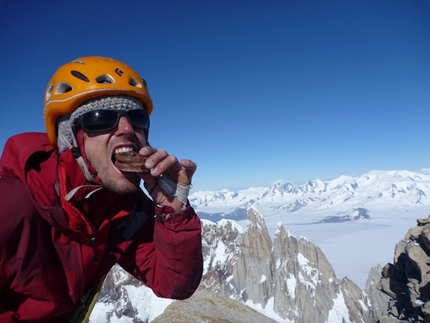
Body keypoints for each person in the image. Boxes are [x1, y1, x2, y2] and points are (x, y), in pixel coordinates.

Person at [0, 56, 203, 322]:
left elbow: (175, 284)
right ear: (70, 137)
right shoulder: (10, 207)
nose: (127, 128)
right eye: (100, 117)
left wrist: (173, 210)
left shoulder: (122, 207)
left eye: (137, 116)